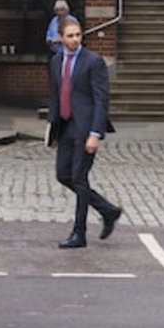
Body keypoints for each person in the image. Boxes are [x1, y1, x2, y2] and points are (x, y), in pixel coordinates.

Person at [48, 17, 121, 249]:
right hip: (66, 125)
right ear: (61, 38)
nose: (75, 39)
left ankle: (79, 234)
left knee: (79, 178)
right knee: (63, 174)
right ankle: (108, 210)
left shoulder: (93, 61)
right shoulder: (56, 61)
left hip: (85, 127)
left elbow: (101, 100)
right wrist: (53, 131)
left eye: (78, 35)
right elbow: (55, 96)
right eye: (70, 36)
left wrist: (95, 133)